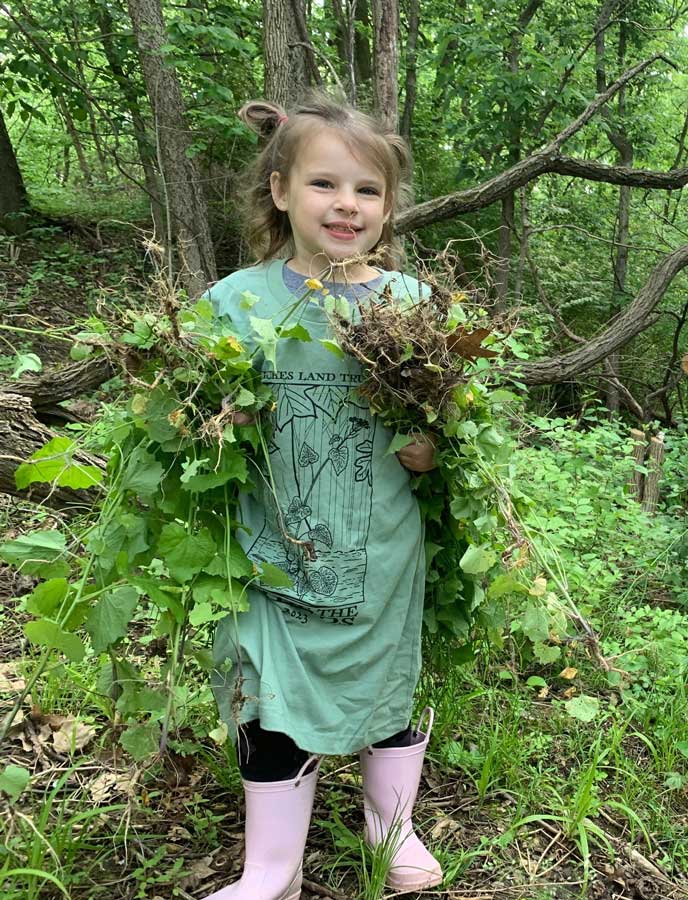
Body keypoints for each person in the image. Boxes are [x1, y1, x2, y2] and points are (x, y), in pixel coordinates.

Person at [202, 94, 442, 899]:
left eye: (367, 190)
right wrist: (211, 422)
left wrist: (429, 450)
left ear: (388, 206)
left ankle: (392, 826)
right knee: (264, 694)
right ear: (280, 190)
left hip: (379, 545)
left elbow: (456, 432)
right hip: (270, 549)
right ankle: (272, 868)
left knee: (385, 679)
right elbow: (189, 423)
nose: (347, 205)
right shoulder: (234, 303)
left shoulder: (412, 305)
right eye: (324, 185)